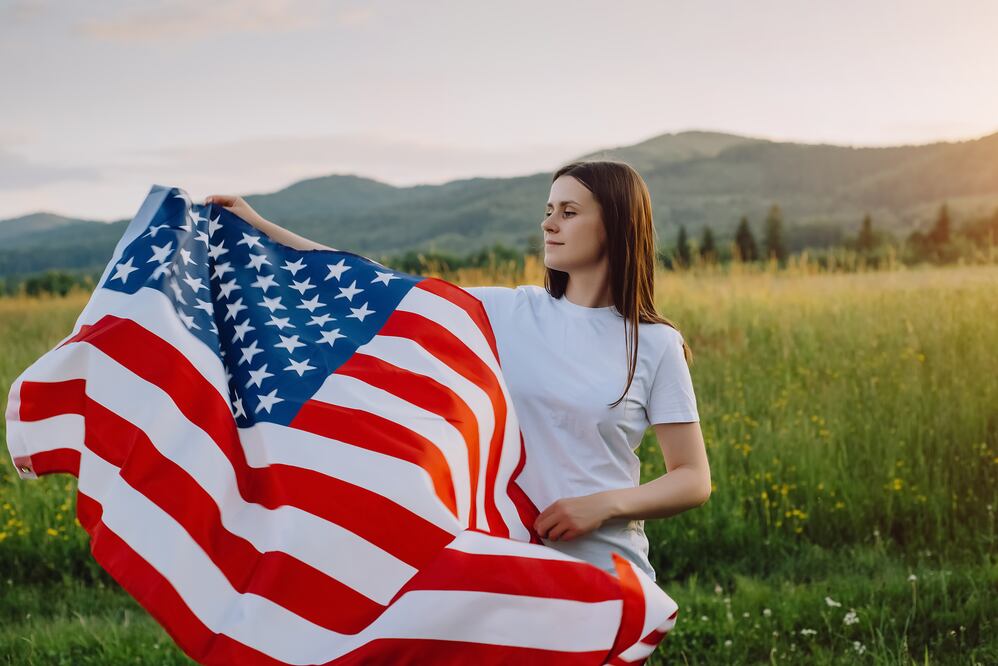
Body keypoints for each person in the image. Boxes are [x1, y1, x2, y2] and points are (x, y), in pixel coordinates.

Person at [204, 159, 711, 581]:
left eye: (569, 211)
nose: (549, 224)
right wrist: (260, 229)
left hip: (606, 570)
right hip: (509, 564)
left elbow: (691, 478)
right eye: (548, 210)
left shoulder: (654, 345)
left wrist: (603, 505)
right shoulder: (504, 312)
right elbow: (375, 286)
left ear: (617, 224)